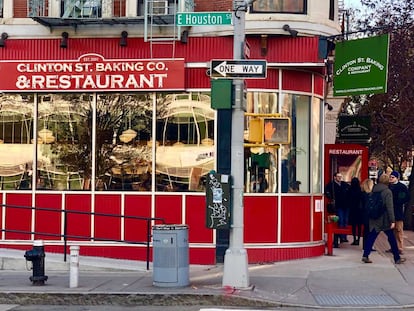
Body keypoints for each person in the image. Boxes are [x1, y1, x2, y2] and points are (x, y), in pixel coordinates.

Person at [362, 173, 406, 264]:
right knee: (391, 238)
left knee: (371, 237)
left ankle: (365, 255)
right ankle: (397, 258)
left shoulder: (373, 189)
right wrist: (392, 220)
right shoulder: (387, 192)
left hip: (374, 217)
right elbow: (390, 207)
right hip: (384, 219)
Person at [325, 172, 350, 246]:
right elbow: (326, 192)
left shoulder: (344, 184)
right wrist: (330, 197)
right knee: (340, 220)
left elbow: (350, 191)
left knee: (345, 220)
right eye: (338, 176)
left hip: (346, 205)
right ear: (334, 177)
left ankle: (344, 237)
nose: (340, 178)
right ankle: (341, 236)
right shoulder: (331, 185)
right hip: (338, 206)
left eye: (340, 176)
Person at [388, 170, 410, 254]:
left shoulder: (401, 187)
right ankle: (393, 247)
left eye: (392, 177)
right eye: (390, 177)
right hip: (390, 213)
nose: (390, 178)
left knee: (399, 230)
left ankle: (400, 248)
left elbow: (406, 197)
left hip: (398, 212)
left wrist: (399, 201)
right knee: (391, 231)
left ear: (397, 178)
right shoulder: (389, 186)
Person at [348, 177, 363, 246]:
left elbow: (348, 199)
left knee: (354, 226)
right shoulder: (360, 190)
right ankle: (358, 239)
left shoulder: (350, 190)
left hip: (352, 209)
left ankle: (354, 239)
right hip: (359, 210)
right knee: (359, 225)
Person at [360, 178, 374, 251]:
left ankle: (366, 246)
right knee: (369, 231)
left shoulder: (362, 194)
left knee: (366, 230)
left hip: (364, 215)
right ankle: (368, 246)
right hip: (368, 215)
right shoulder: (369, 195)